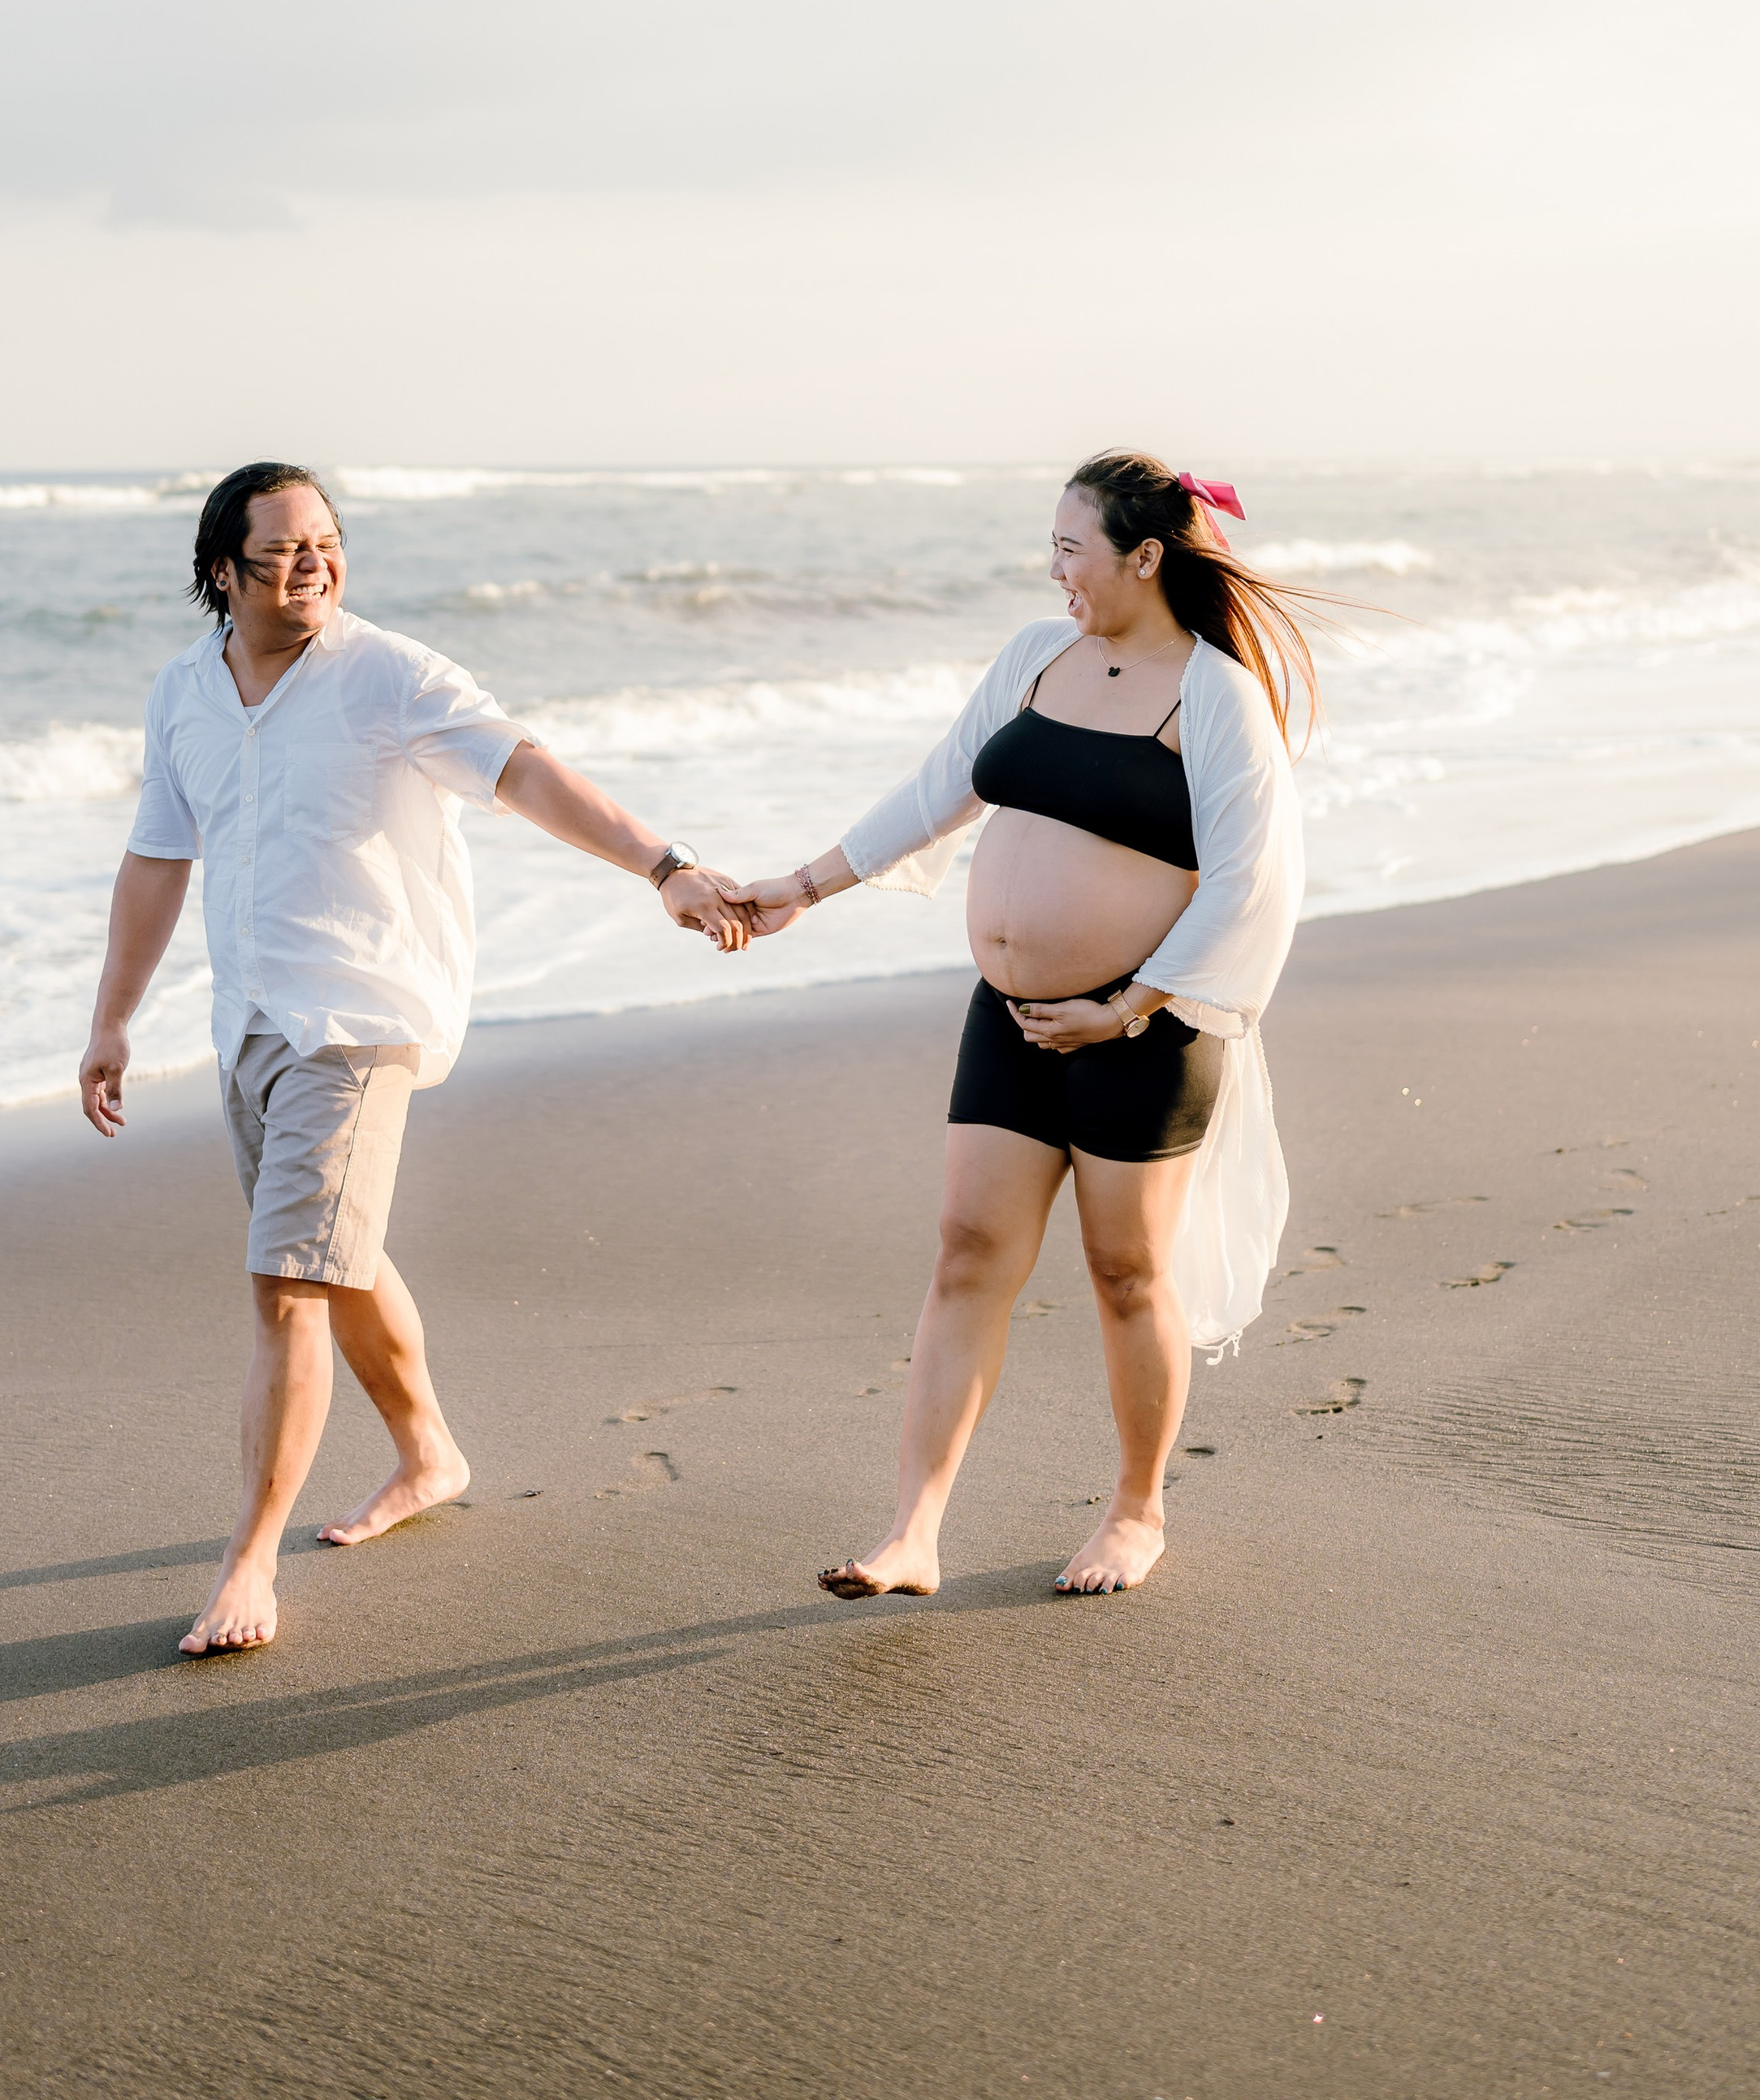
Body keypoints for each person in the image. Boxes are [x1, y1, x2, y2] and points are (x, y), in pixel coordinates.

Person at [79, 460, 749, 1657]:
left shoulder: (390, 674)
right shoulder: (182, 693)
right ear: (220, 573)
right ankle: (429, 1452)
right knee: (340, 1260)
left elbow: (528, 771)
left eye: (328, 542)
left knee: (286, 1284)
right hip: (251, 1024)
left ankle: (247, 1563)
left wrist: (665, 867)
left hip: (362, 1015)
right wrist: (111, 1019)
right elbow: (155, 860)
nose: (314, 564)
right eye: (282, 550)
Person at [737, 452, 1312, 1601]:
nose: (1053, 570)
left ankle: (1137, 1512)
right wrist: (802, 887)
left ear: (1144, 558)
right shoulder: (1033, 657)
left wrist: (1126, 1003)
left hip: (1142, 1032)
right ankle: (913, 1534)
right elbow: (940, 785)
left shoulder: (1216, 695)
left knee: (1127, 1275)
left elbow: (1258, 882)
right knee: (966, 1255)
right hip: (1009, 1019)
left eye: (1070, 548)